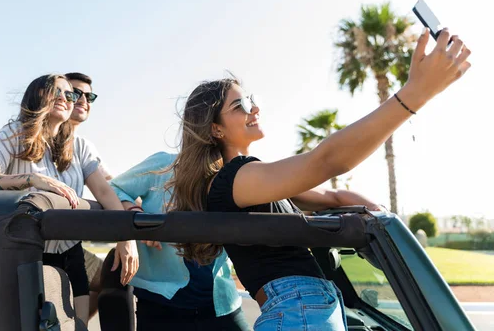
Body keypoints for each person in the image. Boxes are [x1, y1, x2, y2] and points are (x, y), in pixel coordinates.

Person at [167, 28, 471, 330]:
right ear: (216, 129)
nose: (255, 108)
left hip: (308, 308)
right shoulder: (234, 179)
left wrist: (382, 221)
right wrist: (415, 94)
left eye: (251, 99)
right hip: (297, 308)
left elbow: (333, 197)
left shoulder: (255, 180)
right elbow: (326, 161)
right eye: (240, 106)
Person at [0, 73, 139, 325]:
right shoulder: (14, 134)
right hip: (23, 254)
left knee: (77, 326)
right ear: (38, 95)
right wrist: (33, 181)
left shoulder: (79, 147)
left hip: (70, 252)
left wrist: (127, 237)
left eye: (69, 94)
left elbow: (104, 192)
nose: (65, 98)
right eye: (55, 91)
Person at [109, 151, 251, 331]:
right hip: (161, 307)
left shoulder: (236, 172)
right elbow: (113, 188)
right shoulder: (164, 163)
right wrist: (136, 217)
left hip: (221, 304)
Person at [64, 72, 114, 320]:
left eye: (89, 96)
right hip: (27, 247)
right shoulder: (30, 138)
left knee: (113, 277)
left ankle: (76, 324)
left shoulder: (83, 146)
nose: (83, 100)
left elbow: (108, 186)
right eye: (75, 93)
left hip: (70, 247)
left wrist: (134, 203)